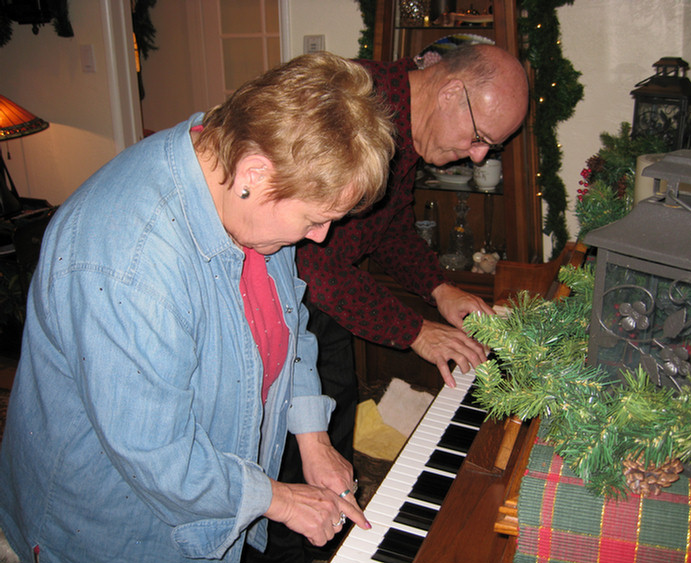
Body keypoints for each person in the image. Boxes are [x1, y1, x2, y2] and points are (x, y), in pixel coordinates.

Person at [0, 52, 395, 563]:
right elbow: (159, 456)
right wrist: (280, 499)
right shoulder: (128, 260)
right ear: (255, 171)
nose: (319, 238)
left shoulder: (245, 187)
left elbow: (289, 322)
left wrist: (312, 437)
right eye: (316, 219)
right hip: (106, 534)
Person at [256, 44, 530, 563]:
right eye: (479, 139)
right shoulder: (352, 106)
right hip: (282, 301)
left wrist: (438, 288)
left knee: (334, 430)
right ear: (451, 92)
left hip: (324, 301)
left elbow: (389, 227)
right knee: (292, 465)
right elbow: (307, 260)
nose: (478, 157)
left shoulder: (408, 128)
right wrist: (415, 331)